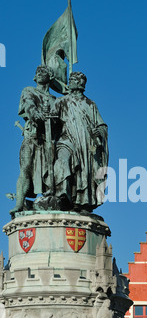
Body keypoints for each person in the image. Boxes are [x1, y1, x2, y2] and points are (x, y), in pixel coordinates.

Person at [52, 71, 108, 212]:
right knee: (63, 161)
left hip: (86, 144)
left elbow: (101, 125)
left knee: (86, 171)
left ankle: (82, 202)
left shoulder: (90, 104)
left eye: (73, 80)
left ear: (80, 84)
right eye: (71, 79)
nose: (70, 82)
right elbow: (51, 121)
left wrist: (99, 132)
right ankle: (62, 195)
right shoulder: (61, 102)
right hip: (66, 140)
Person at [10, 65, 56, 217]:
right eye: (38, 72)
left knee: (52, 173)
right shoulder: (29, 90)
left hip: (50, 141)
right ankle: (19, 203)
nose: (39, 73)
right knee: (26, 168)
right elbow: (29, 105)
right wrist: (37, 114)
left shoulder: (54, 100)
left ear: (51, 76)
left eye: (43, 72)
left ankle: (50, 200)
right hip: (32, 136)